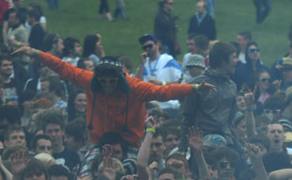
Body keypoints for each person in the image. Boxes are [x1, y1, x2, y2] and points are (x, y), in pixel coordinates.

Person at [16, 49, 213, 148]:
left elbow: (165, 92)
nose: (108, 85)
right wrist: (35, 53)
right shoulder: (91, 81)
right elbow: (64, 69)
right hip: (98, 143)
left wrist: (195, 87)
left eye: (112, 81)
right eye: (104, 81)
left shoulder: (136, 88)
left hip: (130, 145)